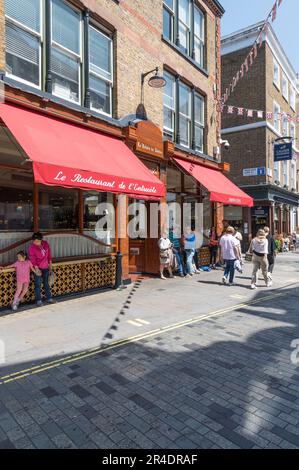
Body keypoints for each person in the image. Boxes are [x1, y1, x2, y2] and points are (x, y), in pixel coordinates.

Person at [28, 232, 55, 306]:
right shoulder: (31, 247)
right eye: (34, 241)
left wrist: (50, 267)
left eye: (37, 241)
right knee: (38, 284)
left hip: (46, 267)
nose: (35, 242)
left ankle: (49, 298)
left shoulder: (45, 244)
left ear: (41, 240)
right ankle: (38, 300)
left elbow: (49, 255)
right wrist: (36, 269)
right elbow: (32, 259)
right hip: (38, 268)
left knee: (46, 283)